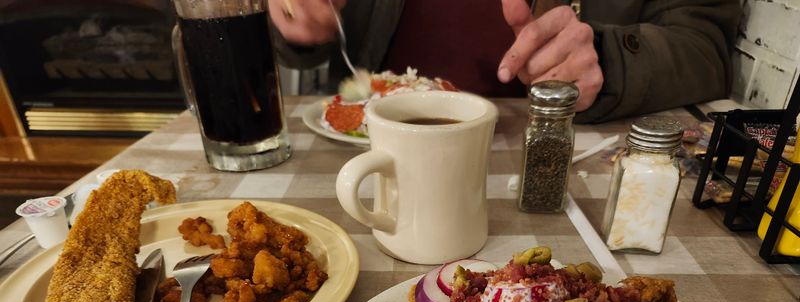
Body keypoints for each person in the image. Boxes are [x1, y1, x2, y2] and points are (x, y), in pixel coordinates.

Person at [266, 0, 741, 123]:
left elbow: (705, 47)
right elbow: (285, 36)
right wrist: (296, 18)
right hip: (364, 148)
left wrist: (609, 62)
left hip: (568, 160)